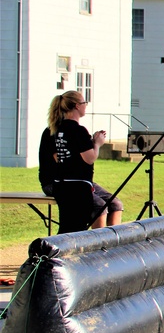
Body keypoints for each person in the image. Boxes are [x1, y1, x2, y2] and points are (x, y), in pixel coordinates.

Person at [46, 91, 124, 229]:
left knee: (69, 226)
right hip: (78, 186)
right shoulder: (78, 130)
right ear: (77, 106)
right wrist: (97, 144)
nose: (86, 106)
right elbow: (89, 158)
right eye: (84, 103)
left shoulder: (58, 129)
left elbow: (61, 156)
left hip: (63, 184)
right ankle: (99, 245)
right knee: (80, 224)